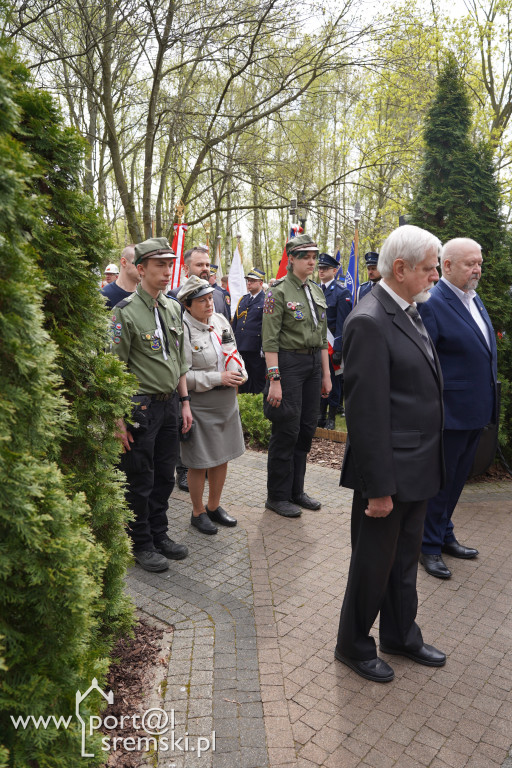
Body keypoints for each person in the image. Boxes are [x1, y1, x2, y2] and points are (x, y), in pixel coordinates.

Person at [334, 224, 446, 683]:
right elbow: (366, 416)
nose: (435, 276)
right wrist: (378, 488)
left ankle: (401, 633)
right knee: (373, 565)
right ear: (399, 269)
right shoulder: (369, 319)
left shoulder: (407, 309)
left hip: (418, 467)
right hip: (388, 474)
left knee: (403, 562)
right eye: (429, 268)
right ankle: (353, 644)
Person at [111, 237, 192, 572]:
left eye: (169, 264)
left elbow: (178, 362)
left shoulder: (173, 307)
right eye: (159, 264)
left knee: (164, 476)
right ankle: (141, 542)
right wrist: (117, 419)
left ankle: (160, 534)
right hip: (140, 408)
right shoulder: (124, 312)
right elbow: (112, 370)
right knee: (139, 478)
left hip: (170, 404)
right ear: (140, 269)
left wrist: (185, 402)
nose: (166, 270)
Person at [418, 238, 498, 579]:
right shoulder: (434, 302)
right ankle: (428, 546)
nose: (476, 268)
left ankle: (445, 534)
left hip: (475, 409)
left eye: (478, 262)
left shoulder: (473, 299)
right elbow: (426, 362)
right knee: (442, 482)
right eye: (469, 263)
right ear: (446, 265)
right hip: (450, 412)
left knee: (456, 482)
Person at [262, 233, 331, 518]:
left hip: (314, 364)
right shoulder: (277, 291)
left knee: (305, 429)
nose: (312, 261)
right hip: (288, 365)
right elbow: (269, 340)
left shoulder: (316, 290)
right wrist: (275, 381)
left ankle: (296, 491)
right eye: (306, 257)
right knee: (286, 430)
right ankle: (277, 496)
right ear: (291, 259)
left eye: (314, 257)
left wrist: (326, 374)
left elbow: (323, 336)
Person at [177, 275, 247, 534]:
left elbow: (233, 353)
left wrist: (241, 374)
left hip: (226, 400)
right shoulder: (183, 328)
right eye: (202, 300)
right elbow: (182, 375)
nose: (209, 304)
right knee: (199, 461)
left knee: (222, 457)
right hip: (200, 403)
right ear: (187, 304)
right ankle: (197, 512)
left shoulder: (219, 321)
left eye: (210, 298)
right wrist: (219, 377)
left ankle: (214, 506)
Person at [316, 253, 352, 429]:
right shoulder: (314, 290)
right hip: (316, 344)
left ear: (335, 271)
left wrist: (338, 348)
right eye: (320, 268)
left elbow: (342, 322)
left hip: (332, 346)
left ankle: (331, 416)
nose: (321, 271)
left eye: (325, 268)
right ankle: (320, 415)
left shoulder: (341, 292)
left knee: (334, 381)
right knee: (319, 379)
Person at [232, 267, 267, 394]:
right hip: (241, 345)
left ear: (261, 283)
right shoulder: (243, 299)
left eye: (252, 281)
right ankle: (245, 401)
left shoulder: (266, 300)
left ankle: (257, 403)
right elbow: (236, 322)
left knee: (257, 377)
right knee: (243, 377)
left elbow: (266, 326)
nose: (249, 283)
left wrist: (264, 346)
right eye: (248, 280)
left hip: (255, 347)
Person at [101, 245, 140, 310]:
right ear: (124, 262)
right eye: (138, 263)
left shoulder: (145, 295)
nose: (143, 268)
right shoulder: (105, 295)